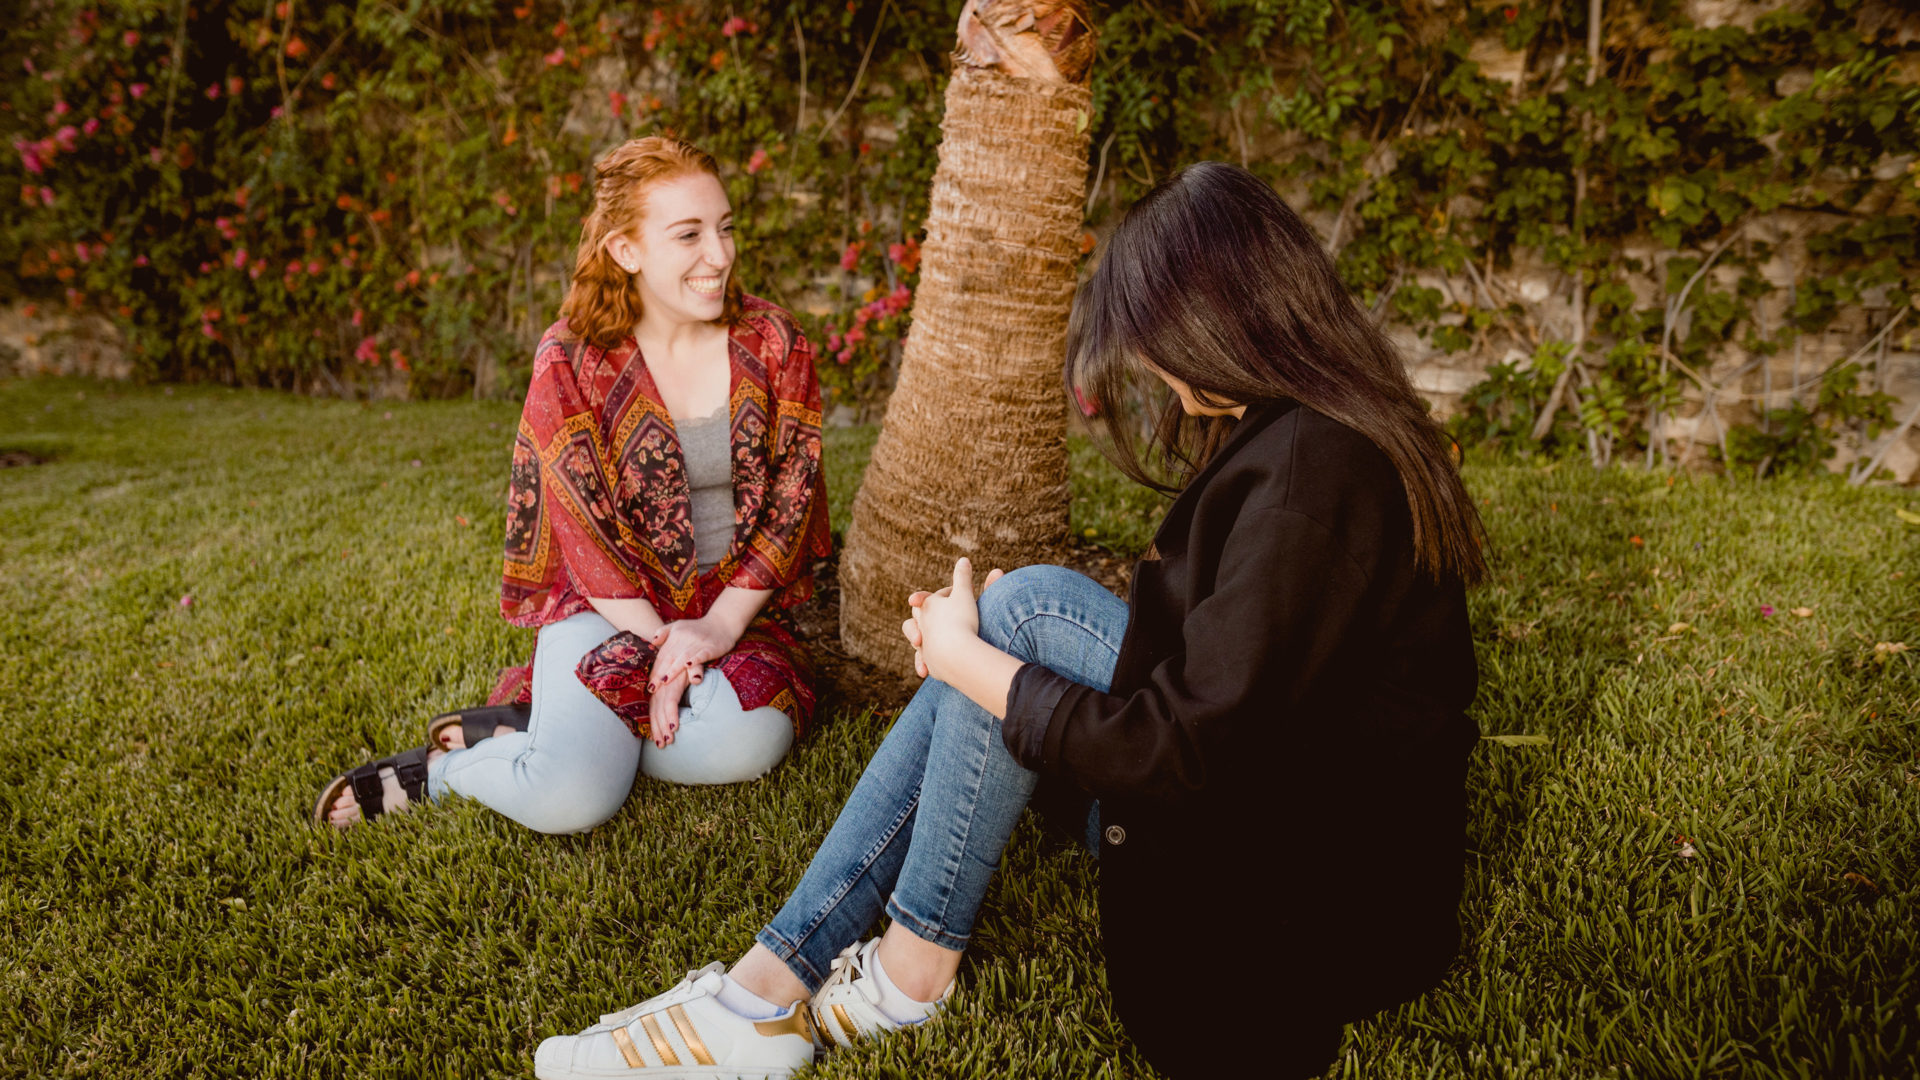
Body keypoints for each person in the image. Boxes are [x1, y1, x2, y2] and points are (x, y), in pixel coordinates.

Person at [530, 161, 1485, 1080]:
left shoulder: (1311, 482)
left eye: (1152, 336)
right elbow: (1225, 670)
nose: (1147, 363)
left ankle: (818, 989)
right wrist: (972, 657)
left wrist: (968, 663)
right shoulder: (1312, 431)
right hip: (1282, 794)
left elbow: (1187, 750)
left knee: (998, 635)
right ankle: (794, 986)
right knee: (1013, 611)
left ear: (1214, 322)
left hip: (1297, 905)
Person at [313, 136, 832, 832]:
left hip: (736, 610)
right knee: (573, 798)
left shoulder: (774, 343)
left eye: (725, 227)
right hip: (609, 605)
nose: (721, 253)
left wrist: (711, 630)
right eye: (689, 235)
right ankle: (446, 774)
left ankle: (557, 723)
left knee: (743, 744)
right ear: (626, 251)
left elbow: (790, 507)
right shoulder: (571, 360)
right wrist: (663, 652)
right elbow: (584, 540)